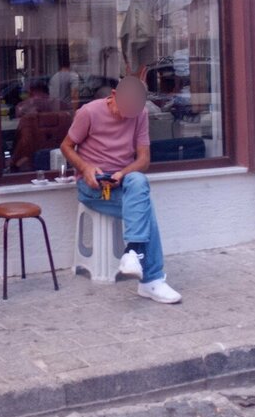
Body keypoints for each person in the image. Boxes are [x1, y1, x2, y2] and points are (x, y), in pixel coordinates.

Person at [60, 76, 181, 304]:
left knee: (138, 179)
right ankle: (150, 278)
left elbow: (144, 160)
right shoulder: (89, 112)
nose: (129, 114)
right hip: (93, 186)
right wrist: (86, 169)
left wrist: (122, 174)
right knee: (146, 209)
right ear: (114, 96)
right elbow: (65, 146)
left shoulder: (141, 115)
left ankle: (133, 254)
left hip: (121, 183)